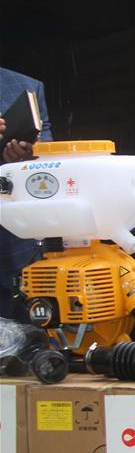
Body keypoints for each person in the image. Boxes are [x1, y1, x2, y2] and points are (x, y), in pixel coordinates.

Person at [0, 67, 54, 321]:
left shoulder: (27, 86)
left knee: (25, 332)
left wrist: (27, 154)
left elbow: (48, 157)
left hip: (15, 240)